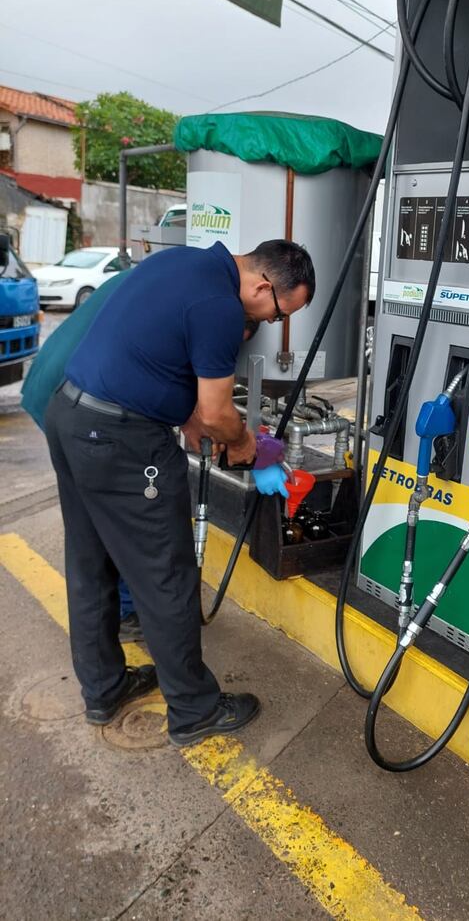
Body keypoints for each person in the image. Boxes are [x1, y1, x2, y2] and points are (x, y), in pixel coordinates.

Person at [44, 239, 314, 746]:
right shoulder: (220, 307)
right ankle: (194, 710)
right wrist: (246, 446)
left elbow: (151, 356)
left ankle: (104, 690)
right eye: (280, 313)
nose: (274, 323)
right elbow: (217, 412)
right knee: (165, 574)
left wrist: (189, 418)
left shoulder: (182, 262)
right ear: (262, 287)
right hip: (121, 439)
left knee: (89, 563)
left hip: (72, 416)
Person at [21, 267, 146, 640]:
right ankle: (126, 611)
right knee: (113, 511)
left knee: (95, 510)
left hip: (56, 382)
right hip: (73, 396)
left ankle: (118, 607)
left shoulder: (150, 277)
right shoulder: (193, 299)